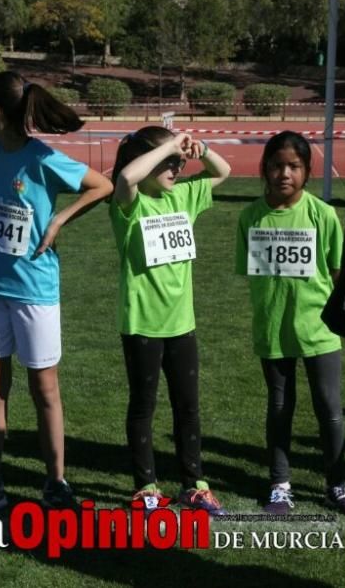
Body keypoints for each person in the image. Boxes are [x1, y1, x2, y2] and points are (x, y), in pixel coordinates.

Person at [0, 71, 113, 518]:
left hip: (35, 290)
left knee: (43, 387)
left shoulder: (43, 157)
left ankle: (56, 481)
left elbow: (101, 186)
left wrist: (58, 220)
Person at [109, 126, 231, 515]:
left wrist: (200, 148)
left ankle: (193, 484)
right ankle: (146, 486)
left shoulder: (186, 195)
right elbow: (126, 176)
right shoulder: (130, 203)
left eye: (180, 162)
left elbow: (222, 171)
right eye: (169, 162)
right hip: (143, 324)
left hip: (182, 323)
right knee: (143, 406)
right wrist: (166, 147)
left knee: (188, 407)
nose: (177, 167)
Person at [234, 131, 345, 516]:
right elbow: (249, 273)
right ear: (265, 168)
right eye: (277, 165)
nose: (285, 173)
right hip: (272, 328)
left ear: (307, 170)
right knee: (280, 406)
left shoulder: (323, 214)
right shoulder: (250, 216)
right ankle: (280, 483)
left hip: (320, 330)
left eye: (294, 166)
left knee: (329, 407)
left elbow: (336, 273)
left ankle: (336, 484)